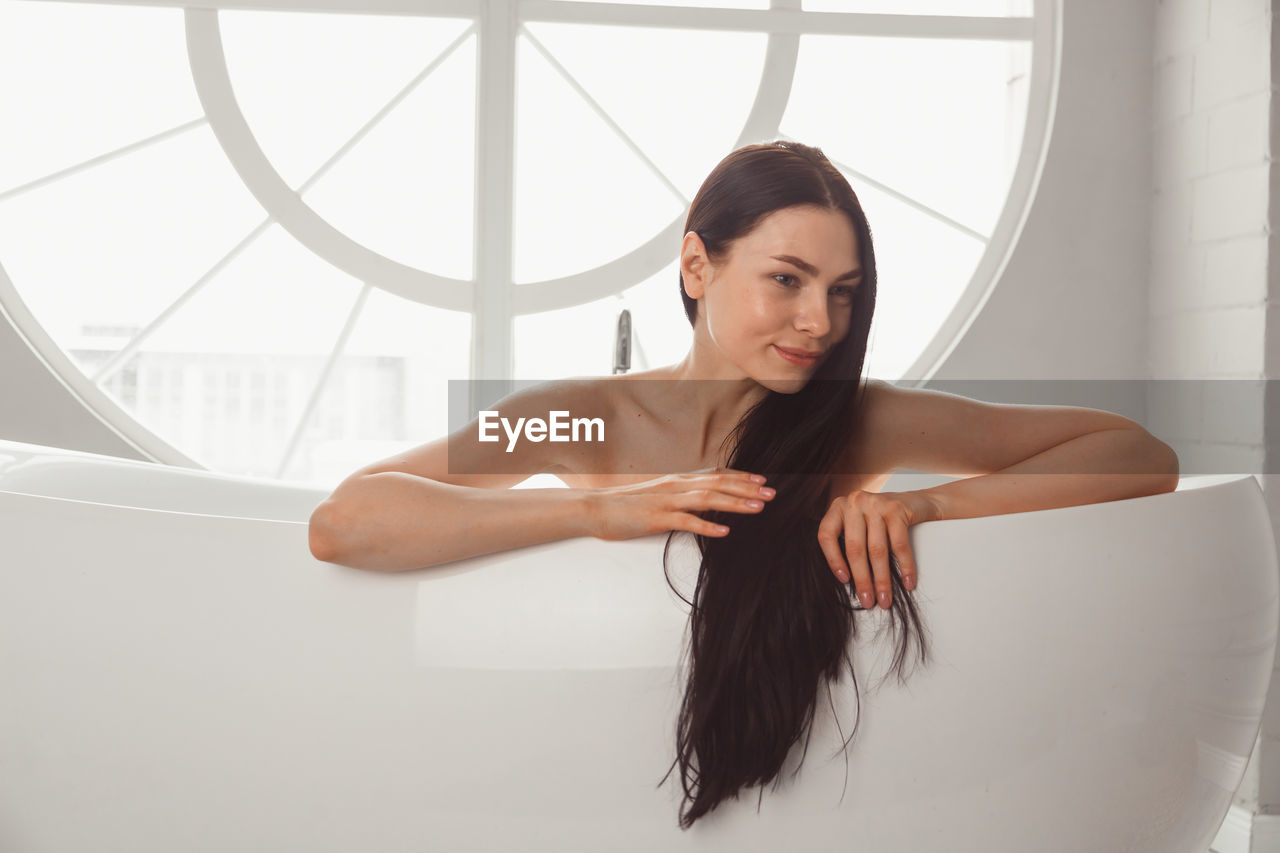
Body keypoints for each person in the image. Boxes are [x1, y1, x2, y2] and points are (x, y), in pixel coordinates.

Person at [308, 140, 1180, 829]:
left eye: (844, 292)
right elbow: (348, 519)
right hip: (576, 778)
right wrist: (593, 510)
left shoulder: (861, 421)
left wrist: (924, 502)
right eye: (786, 280)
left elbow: (1138, 453)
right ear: (697, 268)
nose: (820, 323)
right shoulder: (583, 417)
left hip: (806, 801)